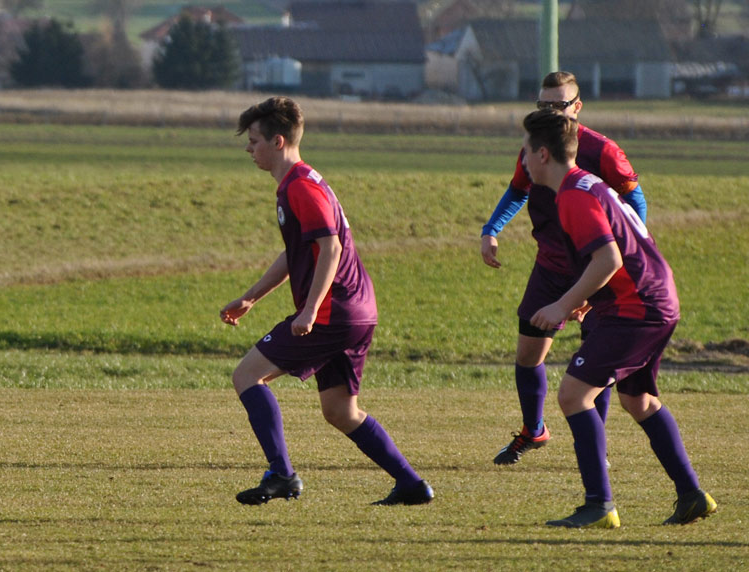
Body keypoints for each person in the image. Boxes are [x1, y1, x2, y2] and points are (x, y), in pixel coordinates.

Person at [219, 97, 433, 507]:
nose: (249, 149)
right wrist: (250, 298)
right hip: (357, 312)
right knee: (340, 410)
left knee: (247, 376)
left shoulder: (300, 186)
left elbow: (330, 249)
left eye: (254, 141)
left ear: (278, 141)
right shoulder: (299, 183)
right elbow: (295, 253)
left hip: (334, 312)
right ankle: (411, 485)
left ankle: (281, 474)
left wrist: (311, 309)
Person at [520, 108, 716, 528]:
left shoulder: (572, 195)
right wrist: (588, 299)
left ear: (541, 154)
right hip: (654, 297)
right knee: (638, 400)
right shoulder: (587, 184)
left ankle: (599, 505)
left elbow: (608, 257)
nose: (520, 160)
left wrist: (561, 304)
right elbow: (620, 252)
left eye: (524, 150)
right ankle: (692, 495)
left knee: (574, 396)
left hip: (639, 307)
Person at [482, 71, 649, 466]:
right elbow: (518, 190)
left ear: (577, 107)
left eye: (558, 105)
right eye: (542, 105)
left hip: (599, 267)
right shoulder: (535, 147)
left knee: (596, 359)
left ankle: (595, 447)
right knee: (527, 354)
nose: (550, 111)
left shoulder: (603, 150)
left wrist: (631, 254)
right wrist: (491, 229)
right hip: (552, 265)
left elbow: (635, 204)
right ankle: (533, 430)